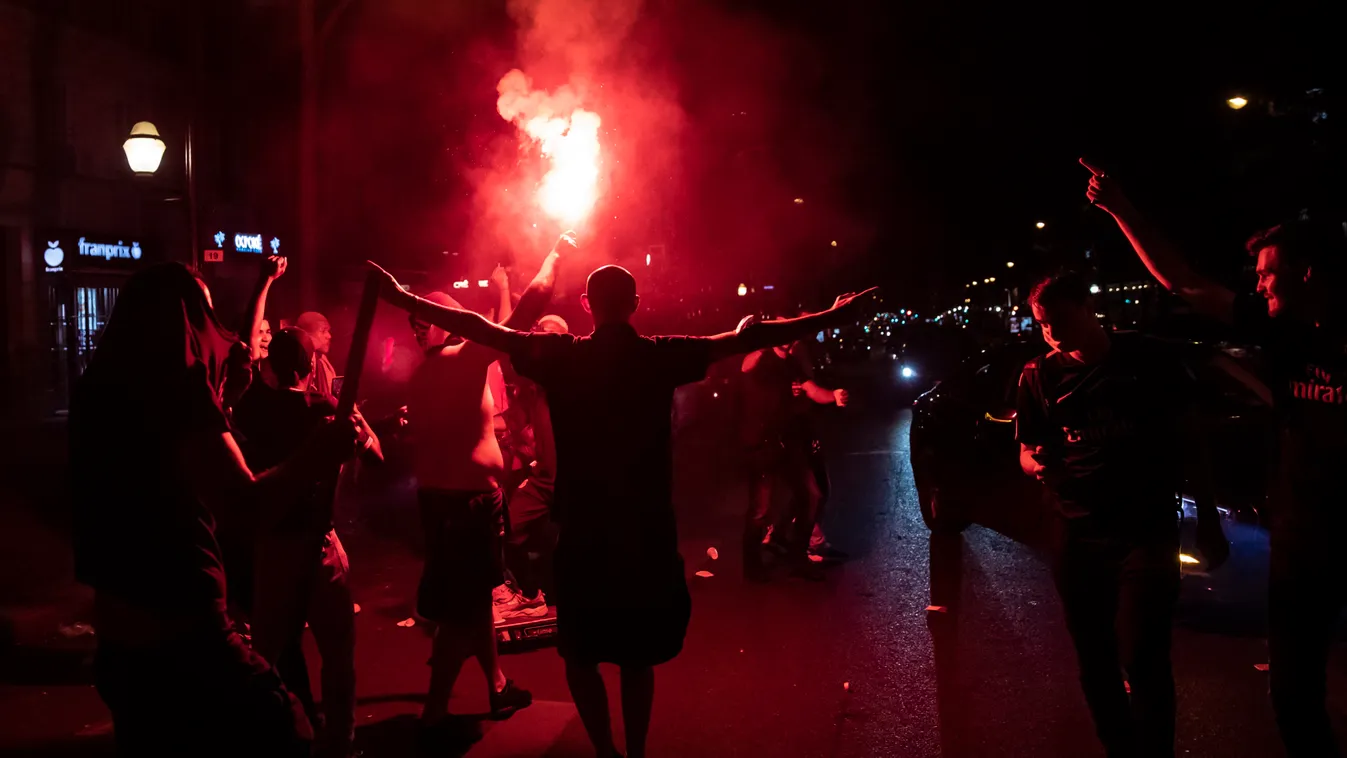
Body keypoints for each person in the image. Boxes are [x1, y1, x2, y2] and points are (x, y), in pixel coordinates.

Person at [372, 257, 874, 758]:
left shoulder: (563, 356)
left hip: (585, 531)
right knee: (637, 658)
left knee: (580, 655)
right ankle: (633, 754)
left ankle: (606, 753)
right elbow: (744, 340)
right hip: (644, 531)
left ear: (587, 306)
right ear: (635, 305)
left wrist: (402, 296)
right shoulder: (658, 356)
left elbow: (480, 327)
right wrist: (830, 316)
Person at [1081, 158, 1347, 757]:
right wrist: (1121, 208)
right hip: (1304, 546)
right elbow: (1187, 285)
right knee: (1294, 693)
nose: (1258, 284)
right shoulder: (1287, 335)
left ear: (1306, 274)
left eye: (1266, 273)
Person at [69, 262, 359, 756]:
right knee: (287, 730)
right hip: (185, 638)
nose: (209, 327)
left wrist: (224, 403)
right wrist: (319, 452)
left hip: (121, 645)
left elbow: (166, 470)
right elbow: (243, 505)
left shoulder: (98, 389)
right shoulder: (177, 391)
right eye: (201, 312)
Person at [1015, 271, 1224, 758]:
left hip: (1144, 529)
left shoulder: (1149, 360)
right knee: (1094, 657)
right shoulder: (1038, 376)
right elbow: (1025, 451)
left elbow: (1193, 444)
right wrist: (1037, 463)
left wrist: (1209, 522)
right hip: (1076, 530)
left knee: (1143, 653)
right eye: (1043, 325)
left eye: (1059, 320)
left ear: (1087, 309)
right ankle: (1118, 747)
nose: (1053, 334)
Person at [403, 235, 571, 743]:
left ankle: (497, 686)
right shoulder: (461, 361)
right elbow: (526, 310)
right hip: (465, 506)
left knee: (474, 604)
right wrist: (554, 257)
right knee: (463, 611)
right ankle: (435, 711)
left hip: (439, 503)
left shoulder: (424, 372)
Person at [233, 328, 382, 758]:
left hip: (273, 545)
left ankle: (268, 736)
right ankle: (341, 742)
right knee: (338, 654)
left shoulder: (253, 408)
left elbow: (240, 399)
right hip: (318, 545)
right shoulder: (325, 409)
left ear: (271, 366)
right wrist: (360, 422)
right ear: (309, 366)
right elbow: (375, 458)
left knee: (264, 654)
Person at [739, 336, 850, 581]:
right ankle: (752, 567)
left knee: (812, 494)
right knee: (760, 509)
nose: (788, 337)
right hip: (759, 443)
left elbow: (811, 390)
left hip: (784, 442)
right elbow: (746, 366)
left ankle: (797, 558)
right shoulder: (760, 358)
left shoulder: (790, 363)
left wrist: (833, 395)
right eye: (782, 329)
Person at [495, 313, 570, 622]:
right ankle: (530, 595)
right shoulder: (531, 385)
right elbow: (515, 417)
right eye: (538, 332)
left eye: (547, 334)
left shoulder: (569, 376)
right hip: (543, 481)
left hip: (574, 479)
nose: (541, 338)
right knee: (507, 528)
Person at [297, 311, 337, 397]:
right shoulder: (299, 362)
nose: (329, 336)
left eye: (328, 331)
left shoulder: (324, 363)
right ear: (307, 334)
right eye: (323, 331)